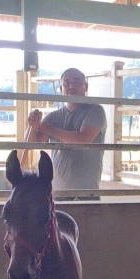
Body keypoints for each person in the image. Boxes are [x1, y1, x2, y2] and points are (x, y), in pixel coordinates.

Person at [24, 68, 106, 197]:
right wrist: (32, 126)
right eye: (66, 83)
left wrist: (50, 130)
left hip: (86, 193)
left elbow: (83, 139)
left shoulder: (95, 110)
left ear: (86, 86)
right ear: (61, 88)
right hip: (56, 193)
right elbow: (33, 143)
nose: (71, 86)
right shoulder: (53, 117)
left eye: (77, 82)